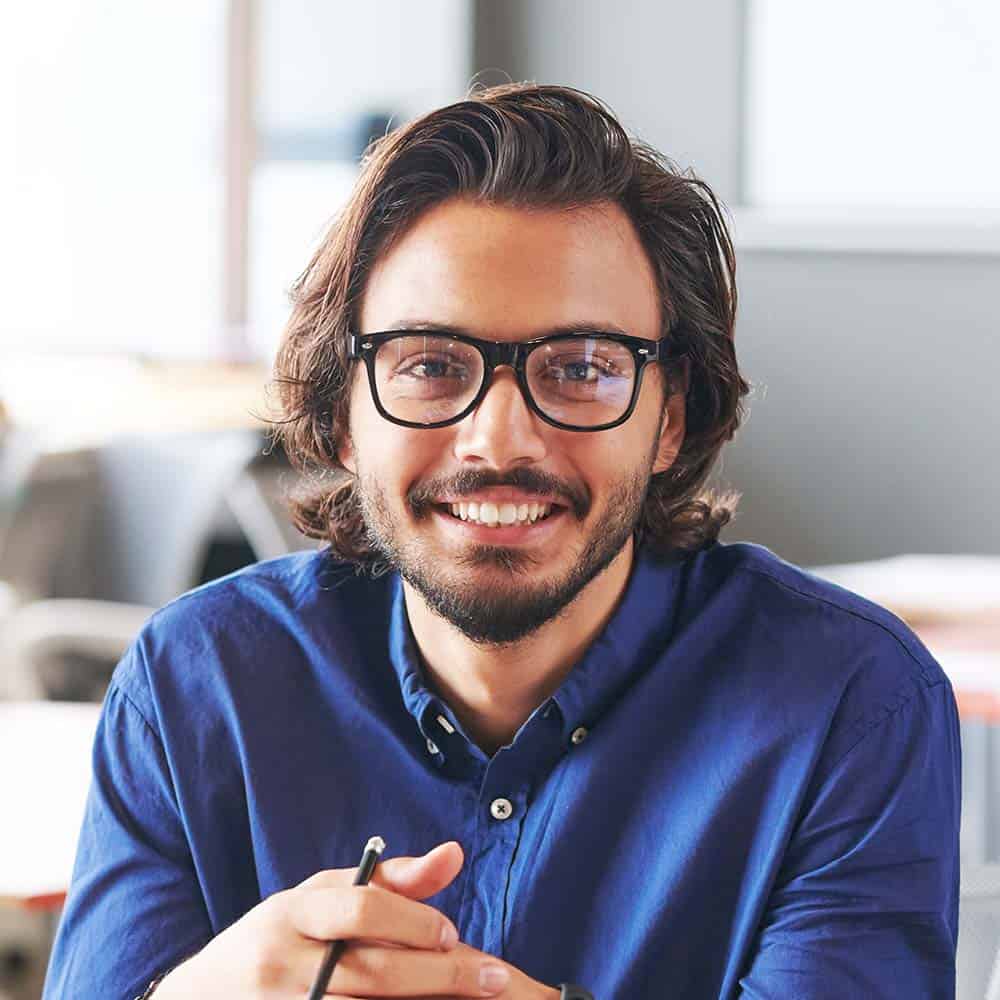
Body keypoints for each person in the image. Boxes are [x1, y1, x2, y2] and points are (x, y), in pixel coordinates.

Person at [43, 83, 960, 999]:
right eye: (431, 365)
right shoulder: (194, 683)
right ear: (344, 411)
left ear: (671, 419)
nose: (498, 440)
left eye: (583, 369)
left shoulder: (850, 703)